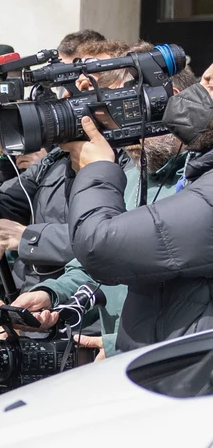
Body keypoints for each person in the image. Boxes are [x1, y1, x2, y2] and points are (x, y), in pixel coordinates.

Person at [16, 66, 213, 349]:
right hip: (151, 368)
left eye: (125, 110)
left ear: (169, 103)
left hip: (181, 373)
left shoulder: (197, 181)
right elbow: (106, 265)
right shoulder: (135, 173)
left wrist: (96, 169)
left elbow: (105, 247)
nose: (113, 125)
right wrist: (53, 293)